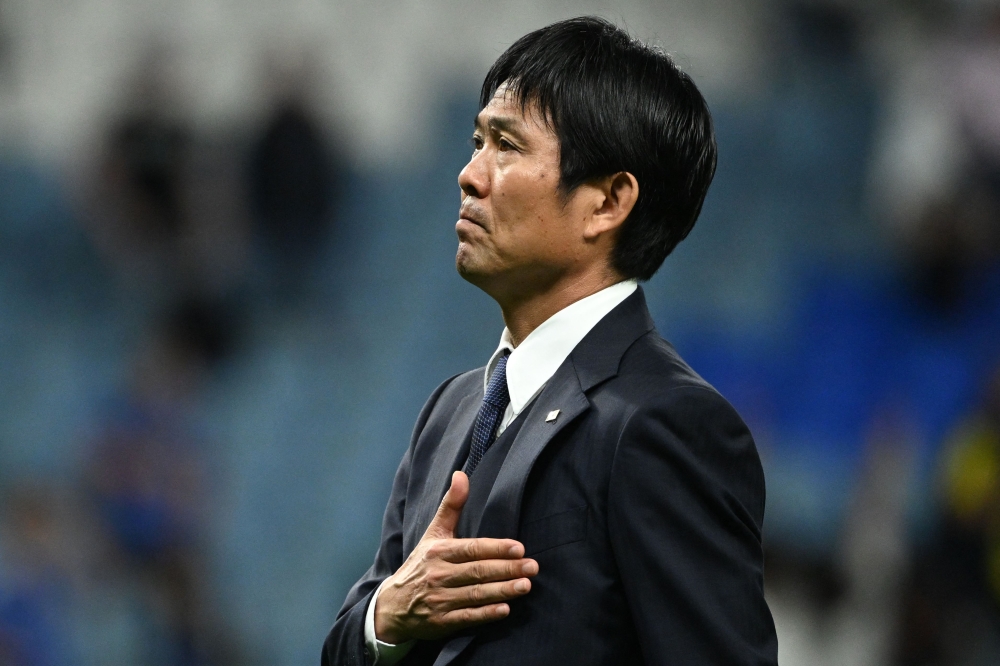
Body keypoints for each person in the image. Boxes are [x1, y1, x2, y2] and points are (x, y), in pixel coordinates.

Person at [322, 17, 777, 666]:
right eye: (476, 140)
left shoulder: (666, 425)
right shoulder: (449, 412)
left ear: (607, 202)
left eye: (506, 146)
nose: (469, 175)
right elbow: (347, 646)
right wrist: (386, 617)